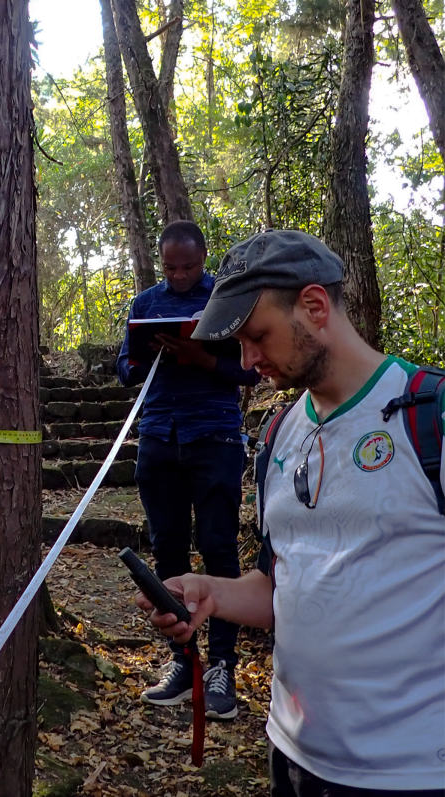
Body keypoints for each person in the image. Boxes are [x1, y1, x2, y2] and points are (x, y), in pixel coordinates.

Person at [138, 229, 445, 795]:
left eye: (257, 336)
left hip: (410, 773)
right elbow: (283, 581)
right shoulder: (279, 434)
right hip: (291, 755)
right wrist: (214, 592)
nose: (248, 360)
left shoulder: (427, 417)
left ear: (314, 306)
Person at [117, 220, 260, 720]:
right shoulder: (145, 304)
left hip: (214, 436)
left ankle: (222, 665)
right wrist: (145, 353)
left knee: (219, 546)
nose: (179, 276)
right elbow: (124, 371)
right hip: (159, 436)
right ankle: (183, 661)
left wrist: (201, 358)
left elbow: (249, 370)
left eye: (189, 267)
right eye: (170, 267)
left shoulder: (224, 301)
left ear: (204, 260)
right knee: (169, 549)